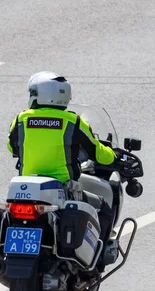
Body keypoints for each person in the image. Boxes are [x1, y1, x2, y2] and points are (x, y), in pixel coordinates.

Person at [7, 71, 121, 270]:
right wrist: (114, 156)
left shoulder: (21, 119)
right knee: (104, 207)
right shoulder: (72, 121)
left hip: (26, 191)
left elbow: (11, 147)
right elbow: (98, 153)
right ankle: (95, 262)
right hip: (63, 191)